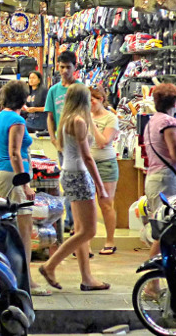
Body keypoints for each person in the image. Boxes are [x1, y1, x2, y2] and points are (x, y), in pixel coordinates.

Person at [38, 84, 110, 291]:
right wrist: (100, 186)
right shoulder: (78, 121)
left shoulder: (66, 120)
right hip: (79, 174)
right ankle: (50, 265)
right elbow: (87, 156)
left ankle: (87, 277)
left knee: (80, 230)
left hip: (69, 173)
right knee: (89, 230)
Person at [0, 80, 50, 297]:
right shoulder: (16, 120)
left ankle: (4, 276)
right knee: (24, 233)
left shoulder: (1, 116)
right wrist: (25, 183)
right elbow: (15, 153)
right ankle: (26, 281)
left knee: (2, 230)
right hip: (13, 177)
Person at [143, 83, 176, 294]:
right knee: (166, 231)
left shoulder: (152, 122)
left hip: (157, 178)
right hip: (168, 181)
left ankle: (159, 281)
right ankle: (152, 283)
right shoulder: (168, 122)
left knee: (165, 229)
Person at [45, 51, 83, 230]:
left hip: (78, 143)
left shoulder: (80, 88)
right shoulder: (54, 90)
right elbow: (50, 116)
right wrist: (53, 139)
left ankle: (75, 221)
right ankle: (70, 222)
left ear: (75, 68)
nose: (65, 71)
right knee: (67, 182)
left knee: (78, 183)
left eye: (68, 67)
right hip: (61, 143)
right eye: (62, 67)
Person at [88, 87, 120, 255]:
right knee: (86, 204)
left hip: (105, 164)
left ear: (102, 99)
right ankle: (85, 242)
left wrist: (91, 123)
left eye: (95, 98)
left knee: (106, 203)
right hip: (86, 165)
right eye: (89, 98)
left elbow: (103, 142)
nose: (92, 102)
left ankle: (110, 241)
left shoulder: (111, 118)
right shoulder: (84, 117)